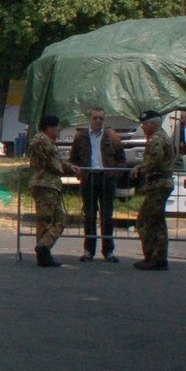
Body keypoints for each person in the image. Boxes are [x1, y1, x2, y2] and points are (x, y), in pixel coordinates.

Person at [69, 106, 126, 262]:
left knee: (107, 216)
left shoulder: (112, 136)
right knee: (89, 215)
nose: (98, 121)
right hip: (89, 179)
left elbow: (122, 159)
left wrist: (115, 174)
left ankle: (108, 251)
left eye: (101, 118)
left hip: (107, 179)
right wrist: (78, 170)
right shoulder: (81, 136)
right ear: (90, 119)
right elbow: (73, 158)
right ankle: (89, 250)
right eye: (95, 118)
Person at [27, 114, 79, 267]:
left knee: (44, 221)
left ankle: (43, 255)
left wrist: (68, 166)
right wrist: (68, 168)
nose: (58, 130)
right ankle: (44, 245)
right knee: (59, 220)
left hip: (41, 183)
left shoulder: (39, 140)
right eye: (56, 127)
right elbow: (55, 165)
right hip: (47, 184)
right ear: (49, 127)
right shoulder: (45, 142)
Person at [131, 109, 174, 270]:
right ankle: (159, 257)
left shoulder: (157, 138)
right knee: (157, 221)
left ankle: (152, 256)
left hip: (158, 184)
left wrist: (140, 170)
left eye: (144, 124)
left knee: (145, 221)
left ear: (154, 123)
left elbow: (154, 161)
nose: (142, 127)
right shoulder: (160, 136)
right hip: (161, 183)